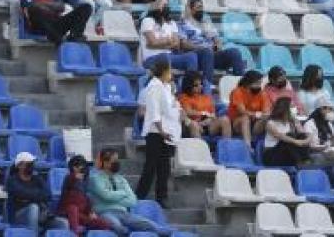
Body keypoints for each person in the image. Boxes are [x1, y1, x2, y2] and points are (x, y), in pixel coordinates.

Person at [136, 59, 180, 208]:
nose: (172, 73)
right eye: (170, 70)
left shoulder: (166, 87)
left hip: (166, 131)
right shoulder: (154, 87)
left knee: (164, 166)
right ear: (164, 71)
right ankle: (139, 195)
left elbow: (172, 107)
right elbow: (154, 112)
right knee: (151, 165)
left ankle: (162, 197)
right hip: (155, 132)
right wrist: (162, 132)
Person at [89, 148, 156, 235]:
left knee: (151, 226)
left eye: (117, 160)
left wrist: (115, 198)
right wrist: (123, 193)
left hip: (124, 213)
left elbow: (133, 200)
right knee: (117, 227)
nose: (117, 163)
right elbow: (106, 195)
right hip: (105, 212)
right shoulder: (95, 179)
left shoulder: (121, 179)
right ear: (105, 163)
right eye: (114, 160)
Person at [178, 0, 245, 83]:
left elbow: (217, 39)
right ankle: (208, 85)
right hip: (197, 56)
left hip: (212, 55)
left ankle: (241, 85)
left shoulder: (206, 23)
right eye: (198, 7)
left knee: (234, 52)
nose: (201, 10)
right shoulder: (183, 24)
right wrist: (202, 48)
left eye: (202, 7)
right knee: (207, 52)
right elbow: (184, 44)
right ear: (190, 9)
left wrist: (218, 45)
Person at [140, 0, 198, 72]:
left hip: (170, 56)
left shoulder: (171, 23)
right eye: (164, 5)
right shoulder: (147, 20)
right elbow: (152, 42)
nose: (166, 7)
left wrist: (159, 42)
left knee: (191, 56)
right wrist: (168, 41)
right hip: (151, 58)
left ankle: (190, 82)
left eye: (167, 5)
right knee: (164, 56)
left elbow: (176, 45)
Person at [57, 155, 112, 234]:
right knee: (73, 208)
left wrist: (90, 211)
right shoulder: (68, 178)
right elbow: (71, 180)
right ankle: (75, 233)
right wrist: (75, 176)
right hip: (67, 212)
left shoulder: (86, 182)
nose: (79, 168)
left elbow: (87, 199)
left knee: (104, 224)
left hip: (81, 214)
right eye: (76, 166)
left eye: (81, 166)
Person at [7, 151, 58, 233]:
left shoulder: (37, 178)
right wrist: (37, 194)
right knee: (33, 207)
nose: (32, 166)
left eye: (32, 163)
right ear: (19, 165)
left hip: (41, 214)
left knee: (62, 223)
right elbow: (21, 193)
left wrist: (30, 196)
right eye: (29, 163)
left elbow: (48, 195)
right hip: (18, 215)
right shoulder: (12, 180)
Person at [303, 95, 334, 171]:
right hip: (316, 154)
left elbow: (333, 142)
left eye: (331, 109)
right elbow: (310, 147)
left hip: (330, 153)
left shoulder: (329, 124)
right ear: (321, 109)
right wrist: (325, 148)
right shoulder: (310, 124)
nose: (331, 112)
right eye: (329, 109)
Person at [178, 70, 232, 139]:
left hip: (208, 124)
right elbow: (189, 112)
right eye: (196, 85)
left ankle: (227, 147)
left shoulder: (206, 98)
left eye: (201, 84)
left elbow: (213, 114)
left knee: (225, 120)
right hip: (192, 125)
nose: (200, 87)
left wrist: (209, 119)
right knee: (194, 125)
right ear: (189, 86)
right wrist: (203, 114)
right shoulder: (184, 97)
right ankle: (200, 149)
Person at [263, 96, 310, 167]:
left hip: (287, 154)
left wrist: (296, 123)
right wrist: (296, 141)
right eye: (292, 107)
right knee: (289, 136)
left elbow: (302, 133)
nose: (294, 109)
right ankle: (299, 163)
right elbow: (279, 136)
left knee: (301, 136)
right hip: (271, 154)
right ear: (285, 109)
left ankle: (306, 161)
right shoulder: (270, 122)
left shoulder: (291, 121)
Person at [227, 70, 269, 146]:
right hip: (237, 124)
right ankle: (248, 147)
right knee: (245, 118)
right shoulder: (237, 92)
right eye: (257, 83)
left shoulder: (262, 93)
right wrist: (256, 115)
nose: (259, 86)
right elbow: (242, 111)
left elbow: (266, 111)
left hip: (255, 125)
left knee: (268, 118)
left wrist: (264, 115)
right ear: (248, 83)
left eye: (260, 83)